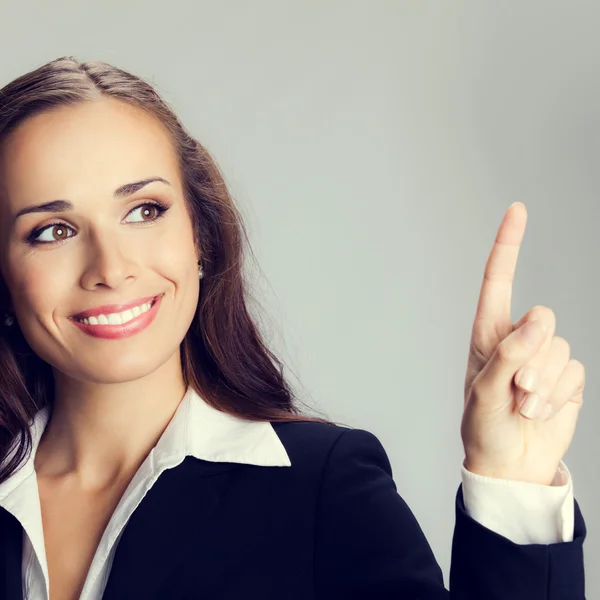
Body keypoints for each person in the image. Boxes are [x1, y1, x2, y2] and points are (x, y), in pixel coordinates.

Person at [0, 56, 586, 600]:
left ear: (199, 237)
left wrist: (514, 487)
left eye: (145, 211)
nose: (111, 268)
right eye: (52, 230)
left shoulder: (322, 489)